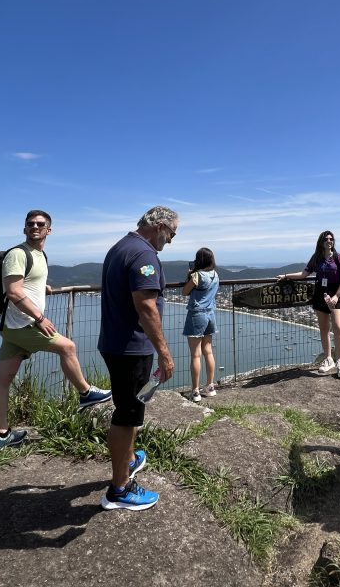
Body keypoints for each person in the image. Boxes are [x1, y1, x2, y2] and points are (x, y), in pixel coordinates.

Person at [0, 210, 112, 451]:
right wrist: (39, 318)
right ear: (24, 229)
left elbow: (25, 283)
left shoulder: (39, 254)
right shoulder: (17, 254)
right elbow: (13, 292)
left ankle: (1, 435)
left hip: (14, 328)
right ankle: (86, 393)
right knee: (68, 347)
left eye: (40, 224)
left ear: (49, 229)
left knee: (2, 381)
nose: (35, 227)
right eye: (30, 224)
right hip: (24, 324)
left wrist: (40, 286)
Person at [98, 205, 179, 511]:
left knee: (129, 409)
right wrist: (165, 353)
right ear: (159, 226)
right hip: (131, 348)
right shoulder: (144, 255)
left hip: (114, 343)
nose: (171, 240)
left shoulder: (120, 246)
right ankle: (119, 489)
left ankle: (130, 459)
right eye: (172, 233)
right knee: (127, 414)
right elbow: (146, 308)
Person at [276, 230, 340, 379]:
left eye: (331, 239)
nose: (329, 241)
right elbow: (304, 274)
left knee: (338, 327)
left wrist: (336, 296)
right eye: (326, 239)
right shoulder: (316, 258)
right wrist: (285, 276)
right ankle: (328, 359)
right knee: (324, 329)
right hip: (320, 295)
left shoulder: (339, 258)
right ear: (321, 242)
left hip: (336, 296)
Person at [183, 247, 220, 402]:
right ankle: (210, 386)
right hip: (210, 314)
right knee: (208, 352)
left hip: (197, 315)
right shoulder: (215, 274)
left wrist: (189, 275)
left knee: (195, 354)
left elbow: (185, 291)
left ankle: (195, 391)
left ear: (199, 260)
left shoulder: (197, 275)